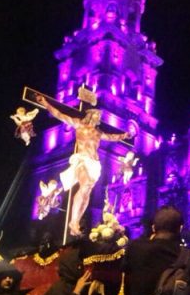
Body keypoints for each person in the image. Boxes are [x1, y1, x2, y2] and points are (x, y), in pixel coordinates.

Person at [35, 93, 133, 235]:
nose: (97, 119)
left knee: (86, 193)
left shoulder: (98, 133)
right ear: (89, 115)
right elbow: (59, 114)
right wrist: (45, 103)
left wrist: (124, 135)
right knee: (85, 184)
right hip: (81, 160)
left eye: (98, 117)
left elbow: (111, 137)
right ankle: (73, 222)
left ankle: (77, 221)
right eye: (95, 116)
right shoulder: (79, 124)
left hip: (94, 164)